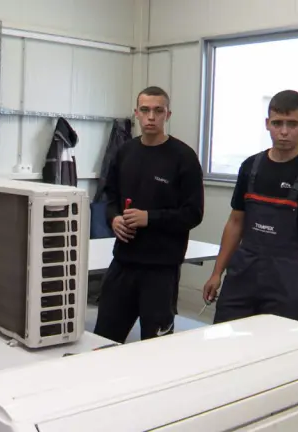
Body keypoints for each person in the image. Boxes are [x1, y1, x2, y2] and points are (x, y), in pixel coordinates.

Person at [203, 90, 298, 329]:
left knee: (280, 345)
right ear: (267, 124)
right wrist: (217, 272)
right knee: (227, 340)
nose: (284, 131)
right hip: (242, 277)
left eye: (292, 124)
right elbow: (235, 223)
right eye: (277, 123)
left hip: (289, 282)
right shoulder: (250, 166)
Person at [93, 86, 204, 343]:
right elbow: (109, 198)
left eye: (158, 111)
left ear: (168, 114)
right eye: (145, 110)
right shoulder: (124, 153)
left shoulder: (184, 158)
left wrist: (149, 218)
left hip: (161, 270)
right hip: (123, 263)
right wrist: (114, 219)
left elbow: (193, 213)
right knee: (103, 340)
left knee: (156, 347)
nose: (151, 117)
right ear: (136, 113)